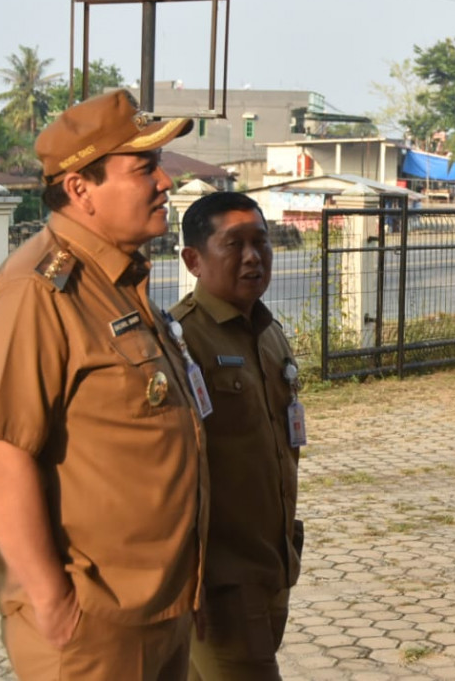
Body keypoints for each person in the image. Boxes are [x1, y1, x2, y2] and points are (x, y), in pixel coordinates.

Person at [0, 90, 208, 681]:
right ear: (81, 188)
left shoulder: (120, 280)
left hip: (159, 607)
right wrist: (54, 604)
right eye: (145, 168)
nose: (165, 183)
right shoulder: (39, 291)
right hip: (94, 626)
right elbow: (0, 452)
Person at [170, 192, 304, 681]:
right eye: (235, 244)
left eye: (261, 243)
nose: (253, 257)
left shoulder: (267, 332)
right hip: (220, 583)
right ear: (193, 259)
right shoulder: (182, 343)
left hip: (272, 563)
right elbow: (171, 471)